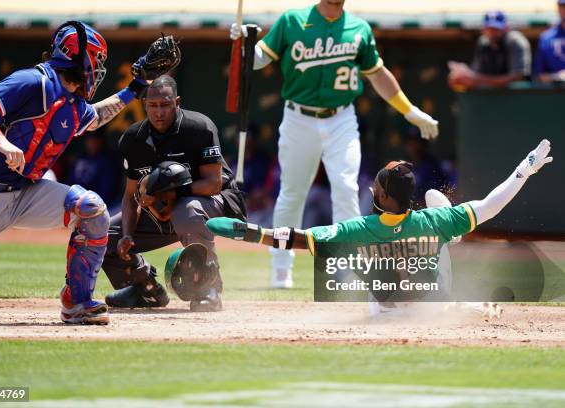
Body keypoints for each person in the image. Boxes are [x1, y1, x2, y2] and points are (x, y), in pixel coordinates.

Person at [0, 21, 180, 325]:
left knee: (92, 210)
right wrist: (1, 141)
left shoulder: (73, 102)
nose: (98, 70)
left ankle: (77, 302)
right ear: (78, 56)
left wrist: (136, 86)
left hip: (25, 192)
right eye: (96, 61)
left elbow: (96, 118)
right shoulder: (35, 82)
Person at [230, 0, 439, 288]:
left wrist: (409, 110)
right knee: (292, 193)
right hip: (298, 117)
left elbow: (377, 73)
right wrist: (243, 44)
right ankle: (281, 266)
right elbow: (257, 59)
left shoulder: (358, 28)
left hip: (342, 117)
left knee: (346, 190)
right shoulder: (293, 20)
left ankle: (346, 268)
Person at [206, 140, 552, 306]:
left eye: (377, 185)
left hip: (385, 307)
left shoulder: (359, 228)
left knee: (355, 257)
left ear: (385, 197)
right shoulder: (434, 219)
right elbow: (491, 205)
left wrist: (252, 234)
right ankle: (452, 247)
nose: (372, 186)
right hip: (434, 297)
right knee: (439, 209)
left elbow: (297, 239)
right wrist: (525, 169)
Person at [101, 75, 246, 312]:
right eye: (153, 105)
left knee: (187, 211)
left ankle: (208, 288)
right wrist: (127, 236)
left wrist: (170, 193)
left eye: (165, 105)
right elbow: (129, 196)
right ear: (144, 104)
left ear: (177, 102)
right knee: (103, 234)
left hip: (212, 203)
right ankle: (144, 289)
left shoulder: (199, 127)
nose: (159, 112)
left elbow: (214, 183)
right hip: (159, 211)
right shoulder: (133, 138)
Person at [448, 11, 531, 90]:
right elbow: (477, 73)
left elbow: (518, 78)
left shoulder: (515, 41)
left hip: (516, 99)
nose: (492, 32)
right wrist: (463, 77)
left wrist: (475, 78)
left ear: (506, 28)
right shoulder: (483, 43)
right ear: (483, 29)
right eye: (489, 28)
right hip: (491, 98)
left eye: (496, 29)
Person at [535, 0, 565, 83]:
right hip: (555, 92)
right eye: (563, 6)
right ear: (558, 8)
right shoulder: (546, 38)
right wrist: (557, 77)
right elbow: (539, 75)